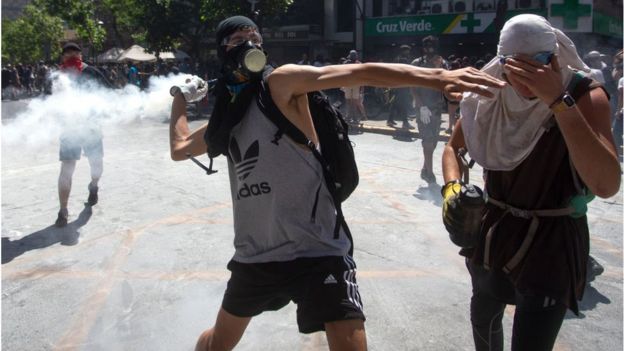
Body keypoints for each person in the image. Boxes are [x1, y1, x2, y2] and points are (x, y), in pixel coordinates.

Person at [168, 15, 504, 351]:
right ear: (222, 51)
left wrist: (439, 77)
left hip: (319, 249)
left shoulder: (280, 84)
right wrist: (179, 98)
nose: (249, 45)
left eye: (254, 36)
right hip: (256, 254)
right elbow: (180, 148)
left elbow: (359, 73)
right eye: (238, 39)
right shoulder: (226, 118)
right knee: (217, 344)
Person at [441, 15, 620, 351]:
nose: (523, 78)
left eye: (535, 65)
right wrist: (452, 187)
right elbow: (453, 147)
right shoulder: (489, 91)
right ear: (502, 60)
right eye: (513, 65)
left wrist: (558, 102)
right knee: (483, 318)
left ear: (553, 59)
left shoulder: (584, 94)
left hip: (552, 239)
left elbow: (607, 184)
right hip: (494, 229)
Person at [55, 42, 112, 227]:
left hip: (91, 128)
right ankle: (63, 210)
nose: (71, 57)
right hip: (69, 130)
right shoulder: (57, 77)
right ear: (63, 57)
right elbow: (47, 102)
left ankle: (93, 186)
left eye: (74, 53)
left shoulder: (92, 72)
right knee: (67, 169)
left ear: (81, 56)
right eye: (67, 54)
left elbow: (109, 94)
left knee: (96, 164)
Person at [412, 36, 449, 183]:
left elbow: (446, 83)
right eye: (427, 47)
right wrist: (421, 106)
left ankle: (425, 167)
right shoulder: (417, 63)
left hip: (437, 107)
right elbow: (412, 87)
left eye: (432, 47)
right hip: (423, 108)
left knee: (433, 141)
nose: (429, 50)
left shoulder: (443, 63)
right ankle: (430, 172)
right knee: (427, 141)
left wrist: (438, 67)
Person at [387, 45, 415, 129]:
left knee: (395, 103)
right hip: (403, 84)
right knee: (404, 103)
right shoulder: (404, 59)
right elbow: (406, 71)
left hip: (397, 84)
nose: (408, 52)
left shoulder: (397, 59)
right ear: (404, 51)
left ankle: (390, 120)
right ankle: (405, 122)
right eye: (407, 51)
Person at [341, 50, 368, 123]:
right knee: (354, 102)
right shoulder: (359, 64)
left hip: (348, 84)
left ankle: (348, 117)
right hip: (356, 84)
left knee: (348, 101)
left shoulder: (345, 63)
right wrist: (362, 86)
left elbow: (342, 74)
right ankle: (354, 118)